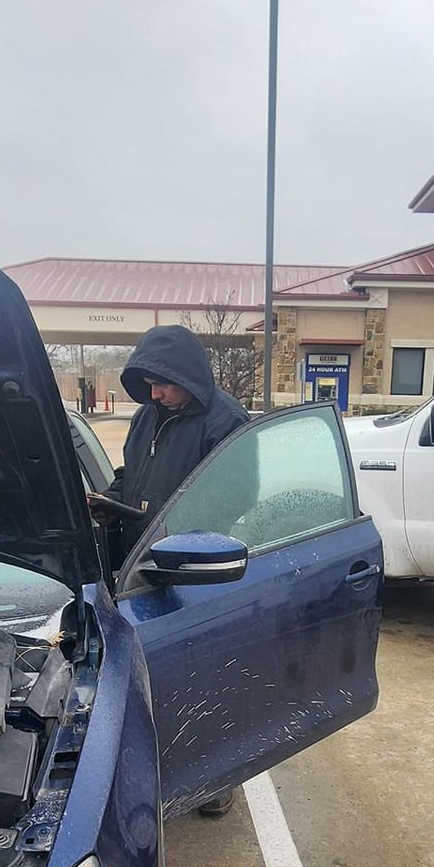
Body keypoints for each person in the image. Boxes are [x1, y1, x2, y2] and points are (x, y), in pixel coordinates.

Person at [91, 324, 250, 817]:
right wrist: (110, 502)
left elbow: (239, 493)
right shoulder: (147, 417)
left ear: (187, 375)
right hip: (138, 561)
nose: (155, 394)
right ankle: (158, 766)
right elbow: (129, 475)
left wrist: (178, 531)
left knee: (203, 672)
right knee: (147, 673)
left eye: (162, 383)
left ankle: (216, 777)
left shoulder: (225, 421)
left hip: (191, 566)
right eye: (148, 384)